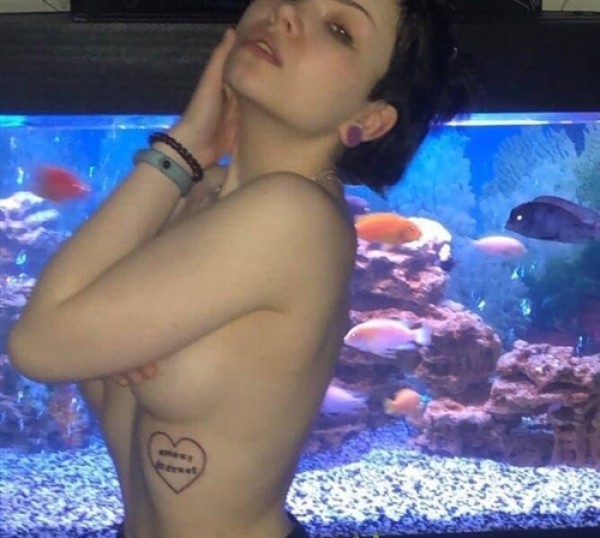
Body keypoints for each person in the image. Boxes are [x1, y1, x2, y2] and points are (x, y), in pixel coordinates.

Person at [8, 1, 476, 537]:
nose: (288, 14)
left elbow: (39, 346)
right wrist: (189, 162)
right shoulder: (201, 192)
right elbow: (67, 332)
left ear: (369, 119)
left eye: (339, 29)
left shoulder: (291, 215)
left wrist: (184, 145)